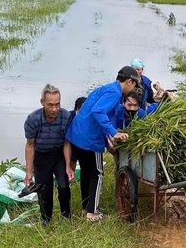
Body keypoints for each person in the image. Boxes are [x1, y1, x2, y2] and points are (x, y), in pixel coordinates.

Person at [66, 66, 139, 221]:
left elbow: (99, 113)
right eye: (134, 84)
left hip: (78, 134)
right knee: (97, 173)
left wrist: (108, 135)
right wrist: (114, 132)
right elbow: (98, 111)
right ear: (129, 81)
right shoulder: (114, 92)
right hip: (89, 138)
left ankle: (86, 207)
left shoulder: (107, 88)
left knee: (87, 171)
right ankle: (92, 213)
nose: (134, 87)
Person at [24, 84, 75, 223]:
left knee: (64, 186)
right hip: (41, 157)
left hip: (59, 155)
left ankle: (66, 217)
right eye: (50, 105)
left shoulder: (65, 116)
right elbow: (30, 145)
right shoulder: (33, 119)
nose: (54, 109)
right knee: (45, 191)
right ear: (42, 102)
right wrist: (29, 171)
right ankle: (46, 221)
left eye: (57, 104)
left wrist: (68, 166)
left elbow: (66, 143)